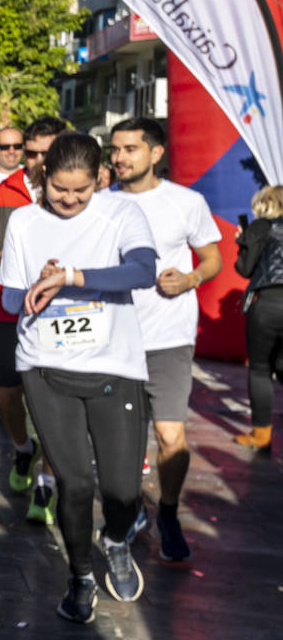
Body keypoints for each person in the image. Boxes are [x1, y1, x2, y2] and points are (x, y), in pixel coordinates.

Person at [0, 132, 158, 621]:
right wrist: (34, 289)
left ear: (99, 180)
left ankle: (114, 539)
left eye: (81, 191)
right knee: (74, 482)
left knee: (123, 491)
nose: (69, 200)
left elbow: (143, 271)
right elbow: (8, 300)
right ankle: (80, 576)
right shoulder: (24, 222)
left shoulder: (121, 213)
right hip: (46, 367)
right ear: (44, 177)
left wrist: (72, 277)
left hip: (114, 365)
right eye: (59, 189)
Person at [108, 117, 221, 561]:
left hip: (168, 337)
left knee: (170, 434)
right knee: (123, 440)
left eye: (130, 149)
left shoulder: (186, 202)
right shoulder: (101, 203)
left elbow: (211, 257)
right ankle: (131, 508)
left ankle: (168, 513)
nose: (119, 158)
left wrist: (191, 277)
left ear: (156, 153)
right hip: (116, 338)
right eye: (115, 149)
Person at [0, 116, 66, 524]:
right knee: (7, 394)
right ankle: (24, 450)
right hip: (0, 307)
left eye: (47, 151)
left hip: (58, 311)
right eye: (32, 151)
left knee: (55, 401)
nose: (38, 159)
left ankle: (47, 484)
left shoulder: (78, 195)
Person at [234, 185, 283, 451]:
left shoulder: (261, 227)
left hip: (267, 303)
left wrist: (242, 244)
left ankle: (261, 435)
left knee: (260, 369)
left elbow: (244, 269)